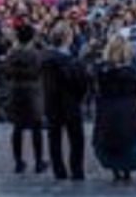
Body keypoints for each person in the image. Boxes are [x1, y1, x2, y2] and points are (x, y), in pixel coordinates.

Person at [93, 36, 136, 183]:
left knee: (111, 139)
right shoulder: (131, 73)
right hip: (129, 110)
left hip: (107, 109)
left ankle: (115, 170)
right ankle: (126, 170)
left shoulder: (102, 72)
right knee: (129, 139)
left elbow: (97, 89)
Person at [42, 22, 89, 181]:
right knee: (76, 138)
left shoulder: (45, 59)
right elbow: (81, 83)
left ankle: (59, 170)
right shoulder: (70, 61)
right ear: (67, 38)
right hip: (70, 102)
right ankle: (77, 170)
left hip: (52, 102)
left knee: (54, 137)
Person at [3, 24, 46, 174]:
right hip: (33, 92)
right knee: (36, 127)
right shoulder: (36, 54)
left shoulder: (12, 54)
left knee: (17, 127)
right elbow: (40, 71)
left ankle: (18, 162)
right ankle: (39, 161)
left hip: (16, 90)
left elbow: (6, 72)